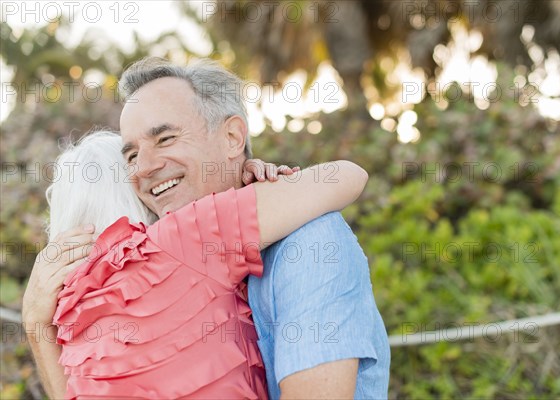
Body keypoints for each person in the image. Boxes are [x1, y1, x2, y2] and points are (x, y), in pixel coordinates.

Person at [24, 57, 391, 399]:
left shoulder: (309, 241)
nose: (145, 167)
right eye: (132, 155)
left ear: (233, 138)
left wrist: (37, 326)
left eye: (165, 138)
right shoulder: (169, 258)